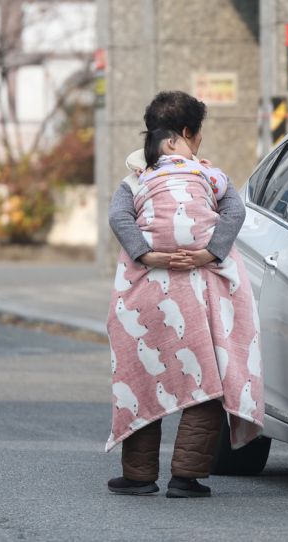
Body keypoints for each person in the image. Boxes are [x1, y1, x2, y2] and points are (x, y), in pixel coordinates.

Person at [105, 91, 263, 499]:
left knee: (143, 377)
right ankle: (186, 477)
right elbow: (236, 212)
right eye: (199, 134)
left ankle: (139, 477)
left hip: (146, 291)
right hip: (200, 289)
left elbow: (119, 217)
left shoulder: (135, 179)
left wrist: (148, 253)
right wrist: (210, 252)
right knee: (206, 377)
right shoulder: (210, 175)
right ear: (187, 134)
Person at [139, 128, 229, 200]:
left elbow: (141, 184)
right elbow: (219, 190)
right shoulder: (193, 166)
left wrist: (142, 173)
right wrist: (212, 170)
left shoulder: (148, 173)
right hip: (196, 218)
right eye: (184, 142)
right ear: (171, 143)